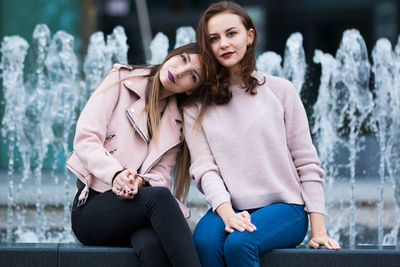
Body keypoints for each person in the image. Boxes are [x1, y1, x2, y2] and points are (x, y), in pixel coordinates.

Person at [181, 2, 341, 266]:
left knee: (240, 243)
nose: (223, 43)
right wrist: (228, 213)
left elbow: (307, 163)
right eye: (214, 38)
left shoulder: (281, 91)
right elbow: (205, 169)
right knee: (204, 242)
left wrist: (319, 231)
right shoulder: (195, 106)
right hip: (229, 206)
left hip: (285, 207)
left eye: (231, 33)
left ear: (250, 36)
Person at [66, 43, 204, 267]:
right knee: (160, 198)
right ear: (174, 54)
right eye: (184, 59)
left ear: (191, 89)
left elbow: (161, 175)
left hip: (136, 211)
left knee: (151, 243)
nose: (179, 72)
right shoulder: (121, 80)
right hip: (92, 208)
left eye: (192, 76)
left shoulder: (177, 122)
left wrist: (139, 182)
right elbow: (86, 139)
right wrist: (116, 175)